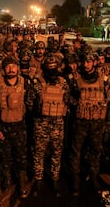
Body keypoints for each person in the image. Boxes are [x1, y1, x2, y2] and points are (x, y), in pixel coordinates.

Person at [70, 52, 110, 196]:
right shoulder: (76, 78)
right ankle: (75, 179)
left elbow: (108, 96)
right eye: (84, 62)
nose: (86, 64)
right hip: (81, 121)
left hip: (97, 122)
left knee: (95, 150)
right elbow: (69, 97)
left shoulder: (104, 79)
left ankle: (93, 176)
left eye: (89, 62)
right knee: (76, 151)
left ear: (94, 63)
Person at [30, 53, 70, 197]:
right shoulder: (37, 83)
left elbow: (67, 101)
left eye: (55, 68)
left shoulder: (63, 83)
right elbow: (29, 104)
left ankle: (54, 179)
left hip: (57, 124)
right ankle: (38, 179)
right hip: (41, 124)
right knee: (38, 154)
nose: (52, 70)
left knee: (56, 154)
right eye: (49, 68)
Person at [0, 56, 29, 198]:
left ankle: (22, 181)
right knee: (5, 157)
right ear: (3, 69)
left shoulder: (25, 83)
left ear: (18, 68)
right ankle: (7, 179)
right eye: (8, 66)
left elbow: (31, 102)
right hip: (3, 126)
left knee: (21, 156)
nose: (11, 69)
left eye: (13, 66)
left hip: (19, 125)